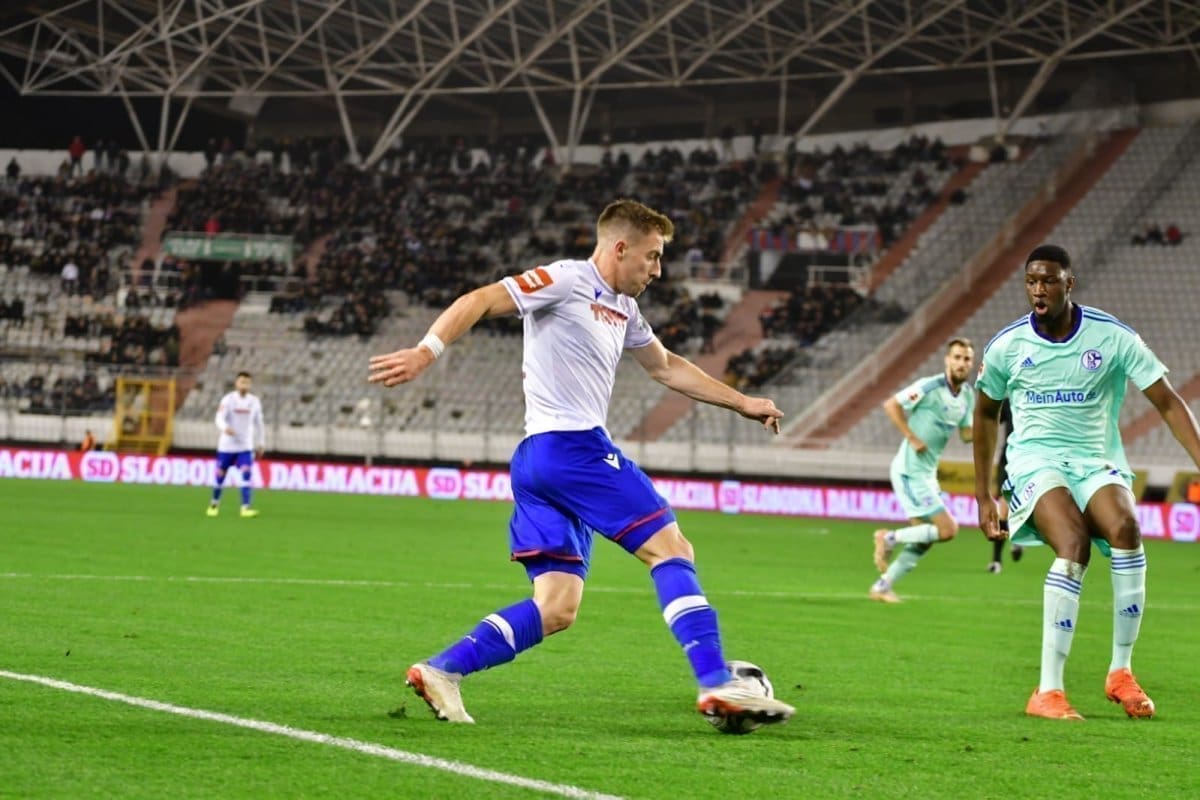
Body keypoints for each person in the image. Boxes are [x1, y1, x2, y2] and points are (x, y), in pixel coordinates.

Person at [368, 198, 795, 730]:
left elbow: (666, 368)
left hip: (539, 464)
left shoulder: (625, 309)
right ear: (620, 248)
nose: (658, 270)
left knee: (556, 607)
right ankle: (716, 684)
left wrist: (744, 402)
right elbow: (479, 299)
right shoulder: (567, 280)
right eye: (652, 257)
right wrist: (425, 352)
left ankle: (442, 671)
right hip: (572, 448)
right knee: (673, 549)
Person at [973, 244, 1200, 721]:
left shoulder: (1111, 336)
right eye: (1032, 280)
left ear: (1068, 283)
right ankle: (1047, 692)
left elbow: (1167, 400)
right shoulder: (1007, 346)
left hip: (1095, 460)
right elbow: (985, 413)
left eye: (1049, 280)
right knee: (1072, 542)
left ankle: (1120, 672)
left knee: (1126, 530)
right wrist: (983, 495)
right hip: (1036, 463)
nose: (1039, 288)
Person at [869, 339, 975, 603]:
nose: (962, 363)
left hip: (927, 473)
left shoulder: (968, 396)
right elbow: (891, 404)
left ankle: (881, 587)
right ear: (947, 360)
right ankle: (888, 537)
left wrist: (991, 421)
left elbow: (966, 435)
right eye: (958, 357)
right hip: (909, 471)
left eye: (967, 359)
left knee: (924, 539)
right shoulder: (930, 386)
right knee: (948, 529)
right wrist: (911, 436)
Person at [206, 371, 265, 518]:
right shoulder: (228, 400)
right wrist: (225, 428)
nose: (244, 384)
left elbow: (259, 423)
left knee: (246, 474)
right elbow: (219, 418)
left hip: (245, 447)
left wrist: (261, 442)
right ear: (236, 383)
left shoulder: (254, 402)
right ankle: (214, 504)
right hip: (227, 446)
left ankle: (245, 508)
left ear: (250, 385)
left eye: (247, 382)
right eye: (241, 381)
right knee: (220, 476)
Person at [986, 400, 1024, 573]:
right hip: (1007, 460)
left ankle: (1018, 539)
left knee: (1026, 504)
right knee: (1003, 506)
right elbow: (991, 420)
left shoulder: (1041, 396)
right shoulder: (1009, 402)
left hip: (1031, 459)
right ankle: (996, 561)